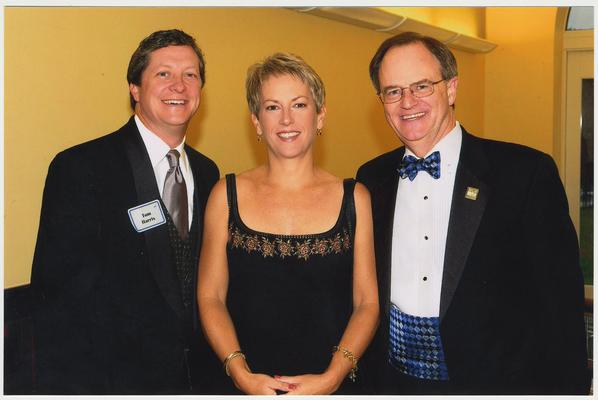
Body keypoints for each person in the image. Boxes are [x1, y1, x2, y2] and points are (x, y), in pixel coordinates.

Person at [356, 31, 590, 395]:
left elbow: (561, 305)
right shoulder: (370, 178)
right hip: (392, 383)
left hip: (493, 384)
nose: (407, 102)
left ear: (451, 89)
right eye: (393, 91)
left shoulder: (525, 173)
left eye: (421, 86)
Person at [30, 29, 220, 394]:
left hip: (196, 379)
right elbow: (56, 299)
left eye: (190, 75)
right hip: (113, 381)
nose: (178, 86)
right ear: (135, 88)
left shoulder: (208, 172)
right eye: (163, 74)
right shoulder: (81, 167)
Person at [197, 52, 379, 395]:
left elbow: (367, 302)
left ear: (320, 115)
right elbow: (210, 296)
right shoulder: (225, 194)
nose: (285, 120)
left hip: (331, 386)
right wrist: (240, 373)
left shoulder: (355, 198)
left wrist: (332, 378)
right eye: (271, 107)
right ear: (256, 122)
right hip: (243, 385)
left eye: (298, 105)